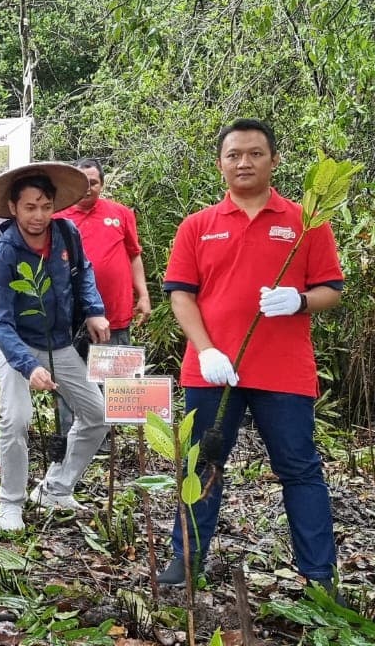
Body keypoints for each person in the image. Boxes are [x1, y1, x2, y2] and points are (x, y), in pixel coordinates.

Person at [158, 119, 343, 597]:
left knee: (300, 469)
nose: (244, 162)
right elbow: (181, 295)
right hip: (212, 369)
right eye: (234, 154)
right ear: (220, 163)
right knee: (201, 465)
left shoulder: (306, 223)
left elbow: (332, 290)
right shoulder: (198, 225)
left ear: (274, 160)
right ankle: (185, 559)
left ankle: (320, 578)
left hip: (283, 371)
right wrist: (207, 349)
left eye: (255, 153)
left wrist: (299, 300)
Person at [0, 162, 111, 532]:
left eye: (45, 206)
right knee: (16, 420)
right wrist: (27, 365)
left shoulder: (66, 233)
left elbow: (83, 272)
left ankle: (56, 487)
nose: (39, 216)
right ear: (13, 208)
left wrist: (94, 311)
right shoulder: (3, 254)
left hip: (58, 343)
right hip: (14, 347)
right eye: (30, 207)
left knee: (97, 414)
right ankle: (11, 503)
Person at [53, 157, 151, 450]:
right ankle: (72, 440)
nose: (87, 188)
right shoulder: (59, 217)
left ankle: (106, 445)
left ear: (102, 184)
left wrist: (143, 295)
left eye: (93, 182)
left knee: (114, 381)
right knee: (71, 381)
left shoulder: (120, 214)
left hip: (116, 311)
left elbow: (134, 254)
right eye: (82, 183)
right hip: (70, 317)